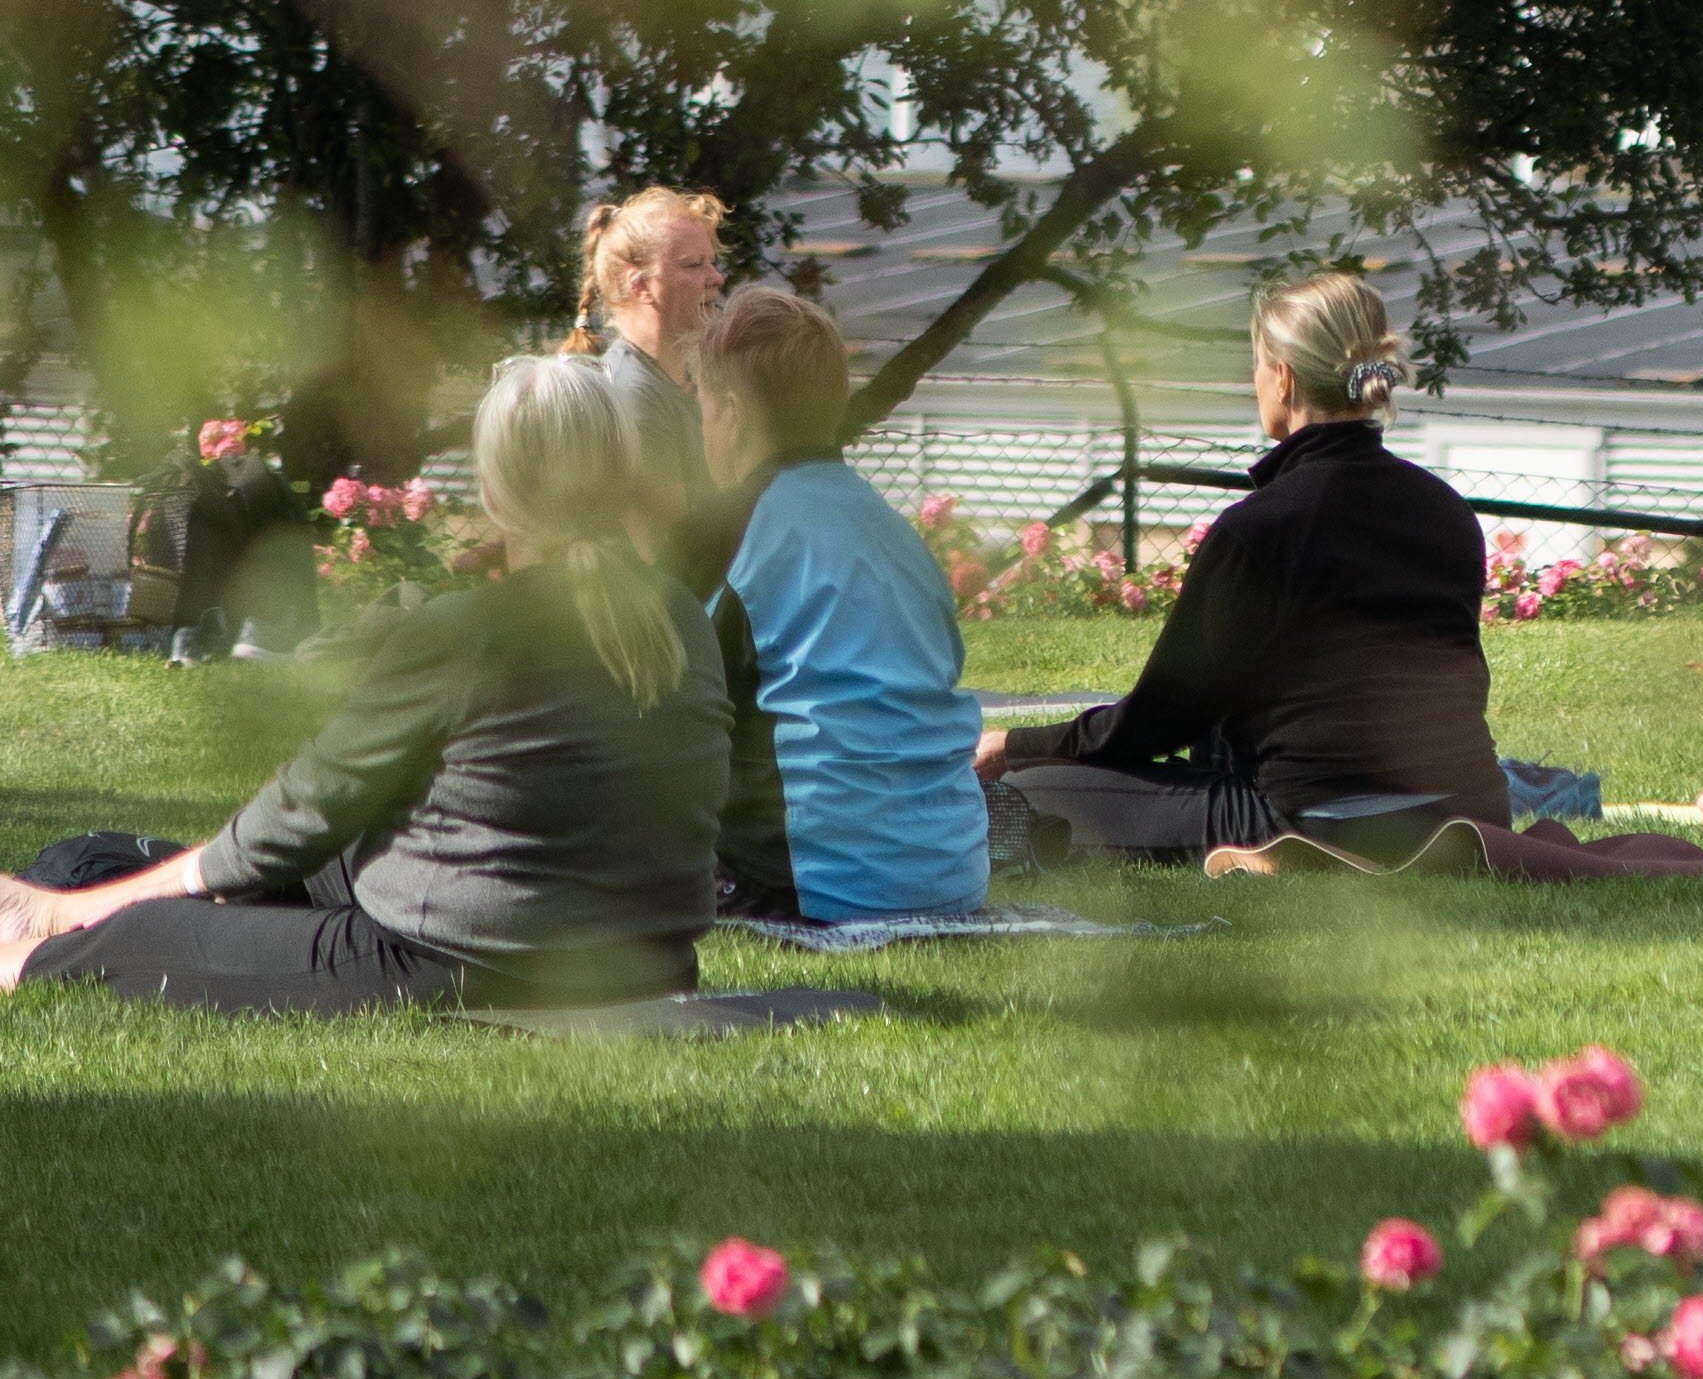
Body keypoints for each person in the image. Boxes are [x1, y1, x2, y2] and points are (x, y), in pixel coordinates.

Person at [0, 350, 726, 1012]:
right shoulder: (685, 621)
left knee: (131, 931)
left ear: (496, 493)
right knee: (86, 859)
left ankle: (39, 931)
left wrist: (66, 918)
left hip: (460, 959)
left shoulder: (466, 632)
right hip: (650, 962)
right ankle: (71, 880)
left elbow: (295, 820)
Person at [985, 270, 1510, 864]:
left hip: (1314, 820)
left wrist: (1015, 746)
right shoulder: (1447, 512)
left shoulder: (1260, 527)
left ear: (1283, 378)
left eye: (1257, 364)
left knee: (1026, 794)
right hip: (1470, 813)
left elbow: (1158, 722)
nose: (1254, 380)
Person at [691, 286, 988, 922]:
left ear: (733, 414)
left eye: (704, 407)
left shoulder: (742, 532)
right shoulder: (892, 530)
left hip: (818, 887)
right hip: (950, 876)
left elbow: (671, 707)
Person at [570, 187, 729, 508]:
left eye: (711, 262)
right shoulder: (633, 396)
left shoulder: (701, 374)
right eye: (694, 264)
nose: (717, 278)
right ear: (641, 286)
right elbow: (672, 545)